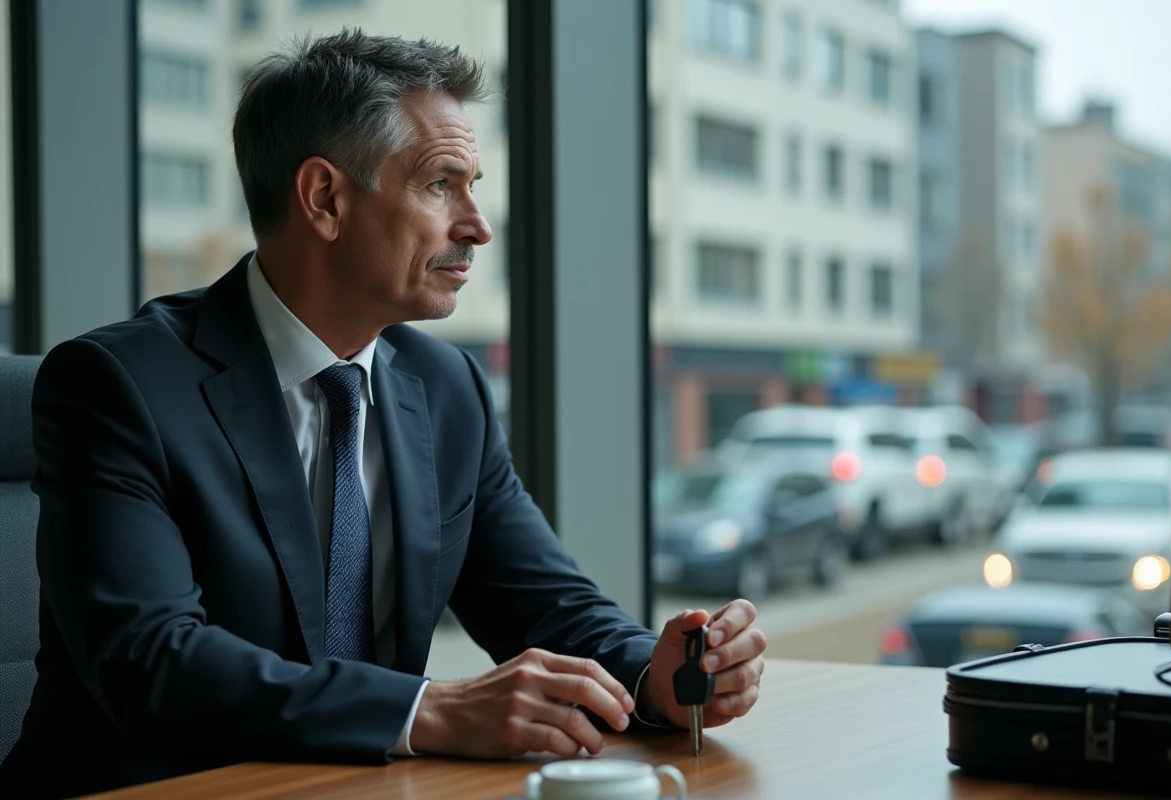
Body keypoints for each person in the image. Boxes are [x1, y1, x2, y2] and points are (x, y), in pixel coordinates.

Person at [0, 30, 767, 798]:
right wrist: (427, 710)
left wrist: (653, 675)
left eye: (474, 184)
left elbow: (548, 606)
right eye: (442, 184)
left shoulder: (446, 389)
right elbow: (150, 661)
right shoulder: (117, 384)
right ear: (325, 199)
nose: (478, 224)